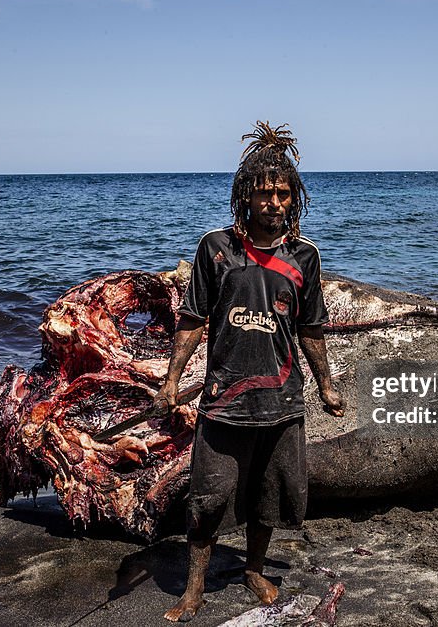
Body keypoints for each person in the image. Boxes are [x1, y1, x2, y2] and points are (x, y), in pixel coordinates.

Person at [156, 122, 344, 622]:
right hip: (223, 401)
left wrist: (326, 386)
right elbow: (193, 319)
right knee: (208, 499)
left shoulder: (305, 257)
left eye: (282, 193)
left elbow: (310, 328)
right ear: (245, 196)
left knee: (270, 496)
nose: (273, 202)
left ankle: (254, 570)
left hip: (282, 401)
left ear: (293, 199)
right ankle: (193, 589)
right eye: (264, 193)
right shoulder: (216, 249)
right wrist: (172, 381)